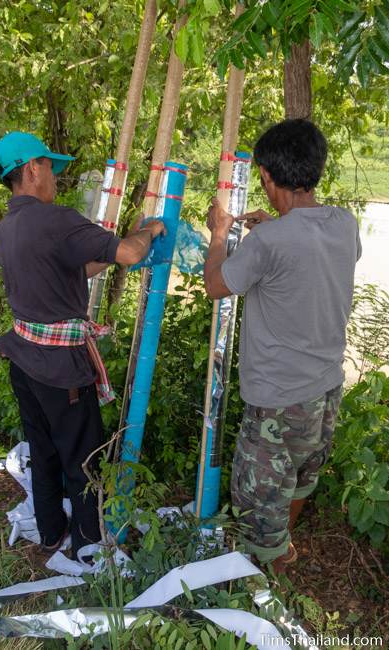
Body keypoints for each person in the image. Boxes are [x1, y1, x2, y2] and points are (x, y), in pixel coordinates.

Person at [0, 131, 164, 558]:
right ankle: (89, 545)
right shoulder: (55, 219)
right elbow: (128, 254)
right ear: (32, 167)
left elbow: (69, 270)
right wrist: (148, 231)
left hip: (24, 360)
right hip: (59, 368)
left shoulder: (8, 226)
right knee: (82, 456)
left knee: (43, 449)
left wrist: (113, 251)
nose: (54, 175)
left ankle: (51, 533)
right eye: (49, 165)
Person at [204, 119, 361, 574]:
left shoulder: (268, 241)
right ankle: (282, 550)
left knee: (260, 502)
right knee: (299, 481)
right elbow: (306, 252)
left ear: (269, 179)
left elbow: (217, 284)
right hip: (326, 389)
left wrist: (219, 233)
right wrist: (277, 225)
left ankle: (263, 583)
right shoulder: (343, 224)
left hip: (276, 400)